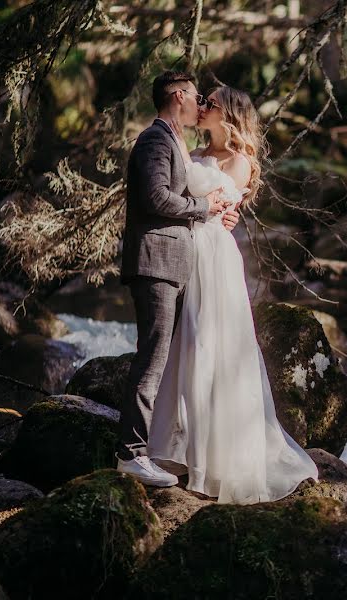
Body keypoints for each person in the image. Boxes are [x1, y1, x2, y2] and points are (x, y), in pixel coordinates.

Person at [146, 85, 319, 504]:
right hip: (188, 248)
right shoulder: (194, 151)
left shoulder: (240, 161)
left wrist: (204, 204)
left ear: (229, 115)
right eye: (201, 102)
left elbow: (218, 203)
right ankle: (182, 449)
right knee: (183, 346)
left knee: (211, 345)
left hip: (214, 257)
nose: (202, 108)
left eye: (210, 105)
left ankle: (217, 459)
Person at [117, 71, 240, 487]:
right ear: (179, 95)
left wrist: (217, 212)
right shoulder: (155, 139)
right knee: (151, 360)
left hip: (173, 263)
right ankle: (131, 455)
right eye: (196, 96)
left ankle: (157, 448)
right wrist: (203, 206)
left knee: (165, 359)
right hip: (155, 262)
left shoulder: (176, 142)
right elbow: (154, 197)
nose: (200, 104)